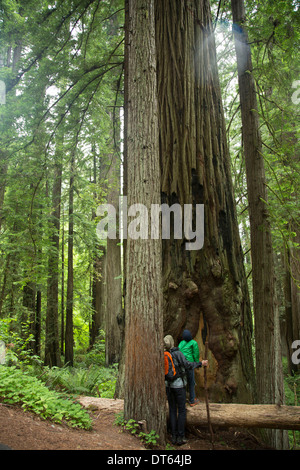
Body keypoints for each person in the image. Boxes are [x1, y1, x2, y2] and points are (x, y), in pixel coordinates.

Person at [164, 334, 208, 446]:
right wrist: (200, 363)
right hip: (179, 386)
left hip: (168, 387)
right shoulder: (178, 353)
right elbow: (187, 365)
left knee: (173, 410)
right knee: (182, 411)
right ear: (173, 342)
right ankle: (180, 437)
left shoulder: (163, 354)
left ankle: (173, 436)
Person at [178, 329, 200, 406]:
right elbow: (196, 353)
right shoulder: (194, 343)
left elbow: (179, 352)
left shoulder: (181, 343)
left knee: (183, 382)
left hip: (182, 365)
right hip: (190, 365)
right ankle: (192, 400)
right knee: (191, 382)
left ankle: (183, 400)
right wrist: (197, 364)